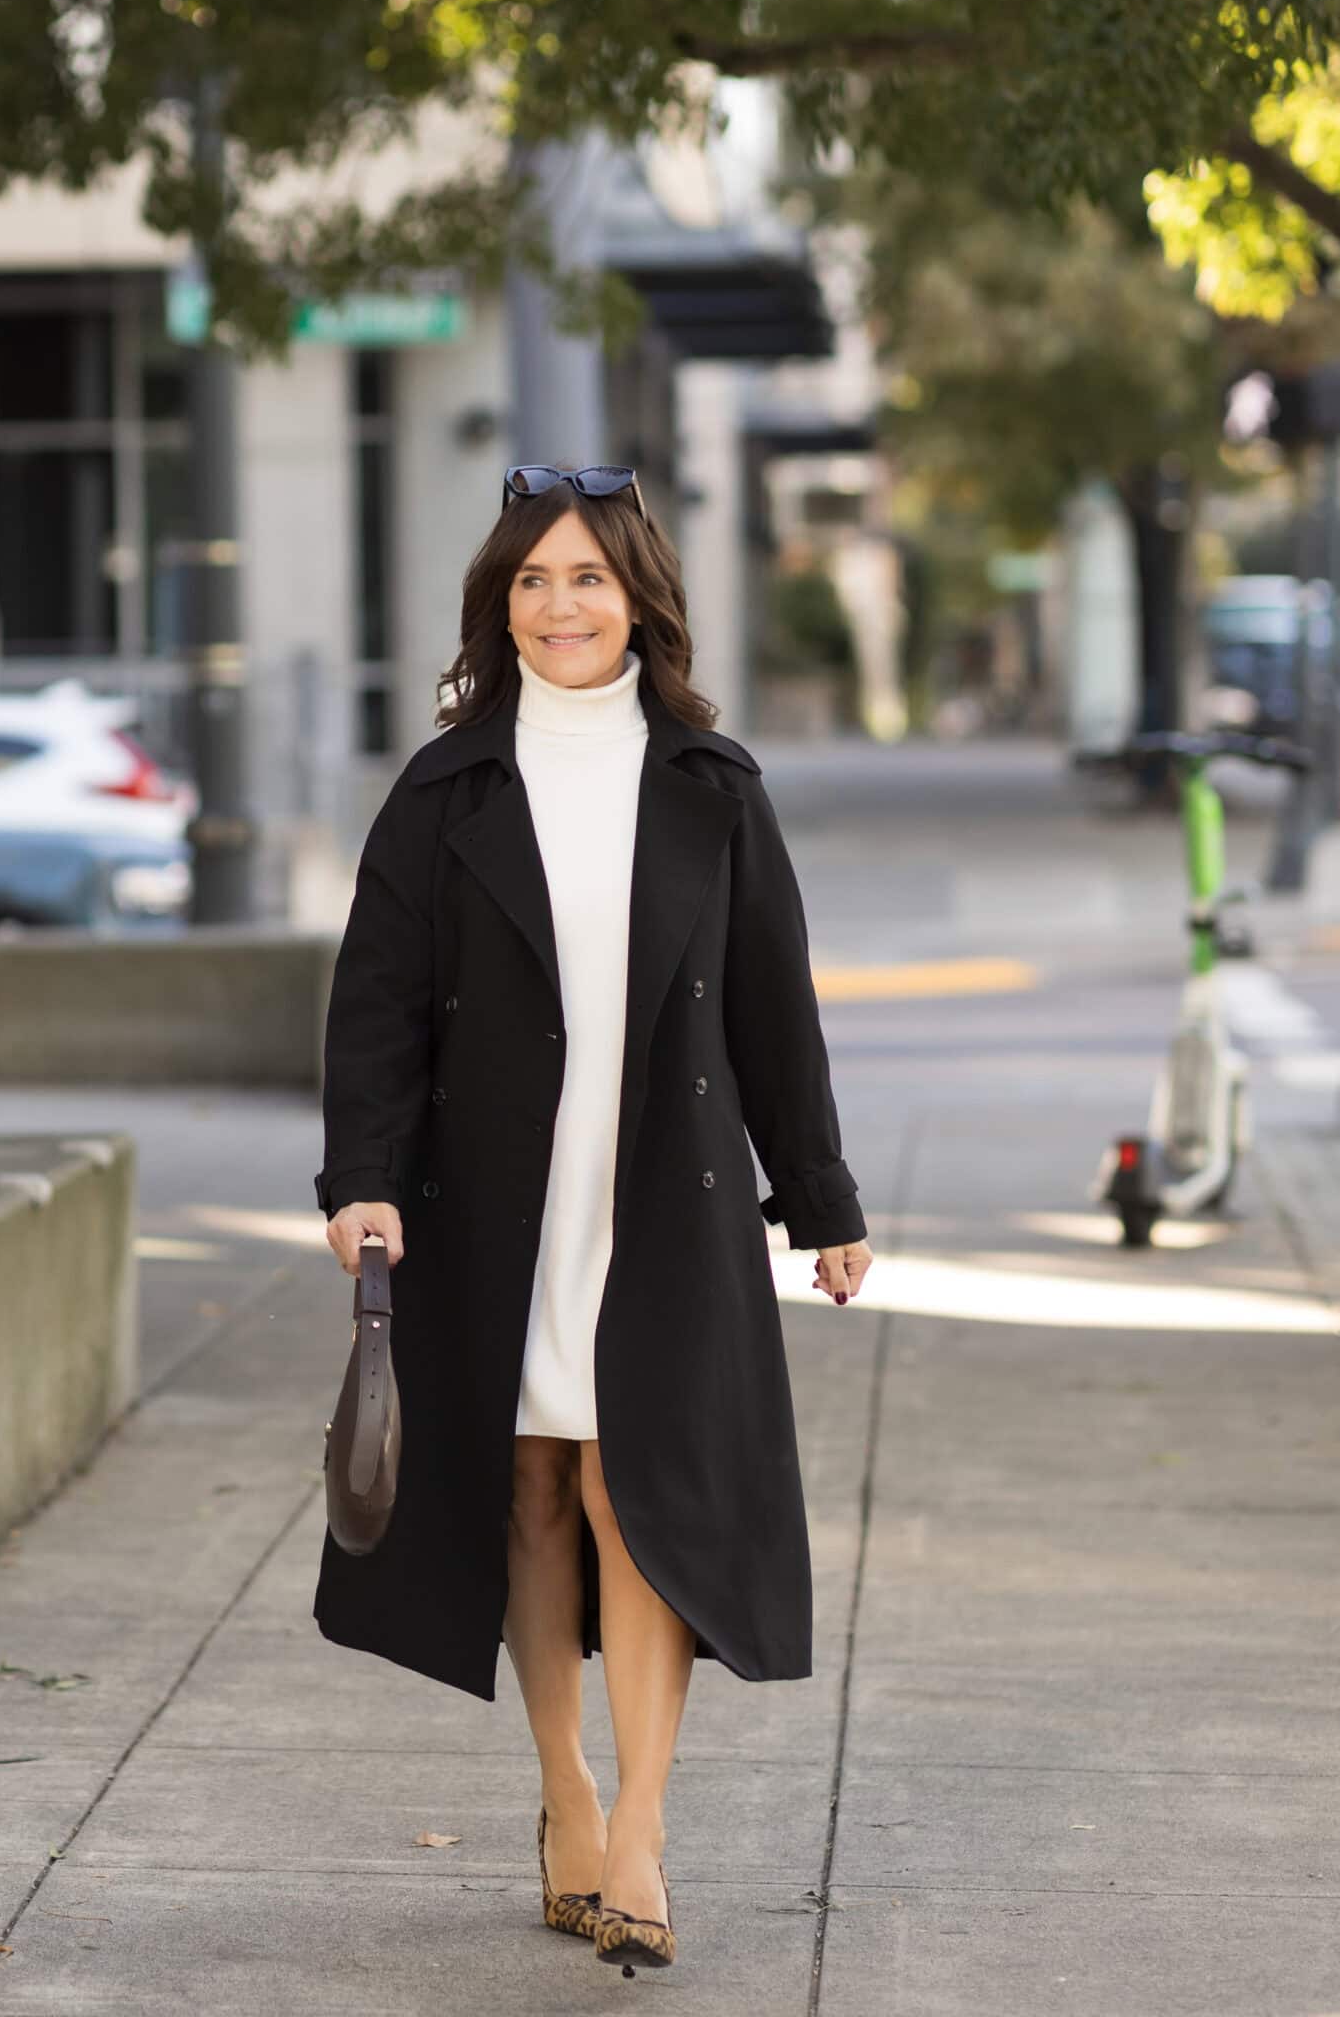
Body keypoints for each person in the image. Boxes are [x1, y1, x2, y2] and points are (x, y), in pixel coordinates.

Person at [313, 463, 873, 1971]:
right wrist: (361, 1176)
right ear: (500, 608)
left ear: (639, 598)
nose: (559, 606)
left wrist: (819, 1197)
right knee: (533, 1492)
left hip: (666, 1199)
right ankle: (566, 1791)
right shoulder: (445, 790)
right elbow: (375, 1007)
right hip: (493, 1200)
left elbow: (774, 1010)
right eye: (531, 581)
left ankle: (641, 1833)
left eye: (587, 578)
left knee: (641, 1493)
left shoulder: (711, 785)